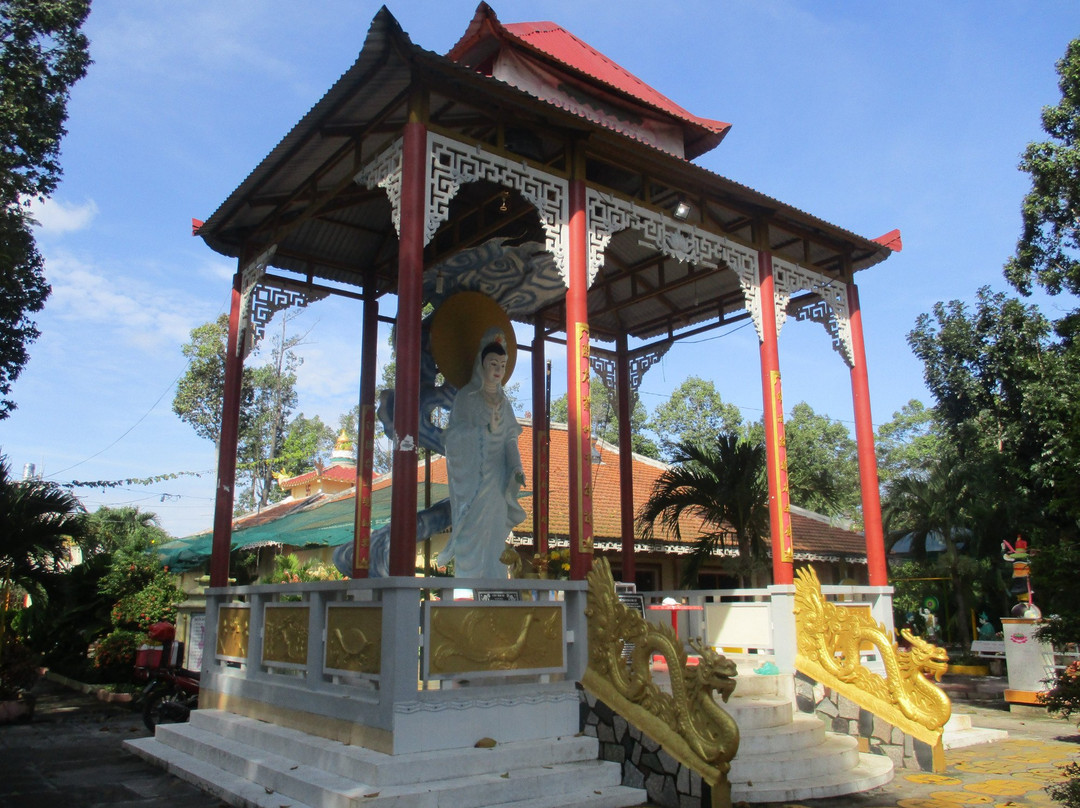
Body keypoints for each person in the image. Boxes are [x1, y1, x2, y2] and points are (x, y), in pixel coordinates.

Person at [439, 328, 526, 579]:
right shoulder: (467, 397)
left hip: (498, 478)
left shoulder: (505, 403)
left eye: (502, 364)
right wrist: (483, 430)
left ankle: (495, 583)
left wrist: (517, 468)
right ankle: (468, 583)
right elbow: (453, 437)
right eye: (492, 364)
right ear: (481, 364)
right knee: (473, 530)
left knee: (495, 532)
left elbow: (510, 439)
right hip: (474, 480)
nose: (498, 370)